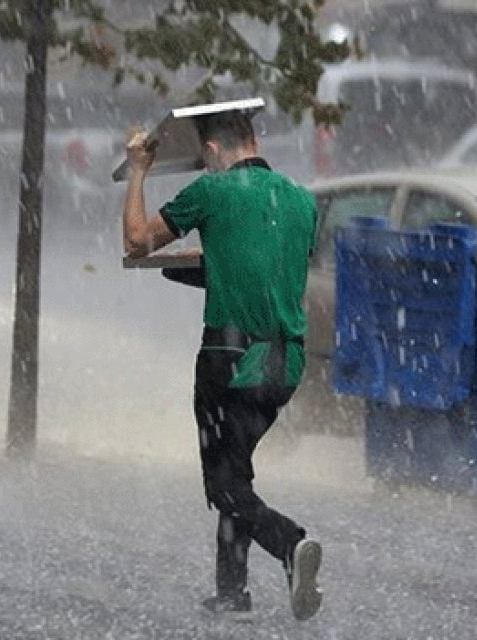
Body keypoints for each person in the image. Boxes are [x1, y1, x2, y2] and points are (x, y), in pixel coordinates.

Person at [122, 108, 323, 622]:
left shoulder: (211, 193)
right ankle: (232, 594)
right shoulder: (301, 200)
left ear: (211, 151)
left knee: (224, 485)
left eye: (205, 159)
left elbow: (137, 240)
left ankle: (288, 543)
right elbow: (265, 270)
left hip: (229, 361)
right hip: (284, 365)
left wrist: (139, 169)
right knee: (235, 471)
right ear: (253, 139)